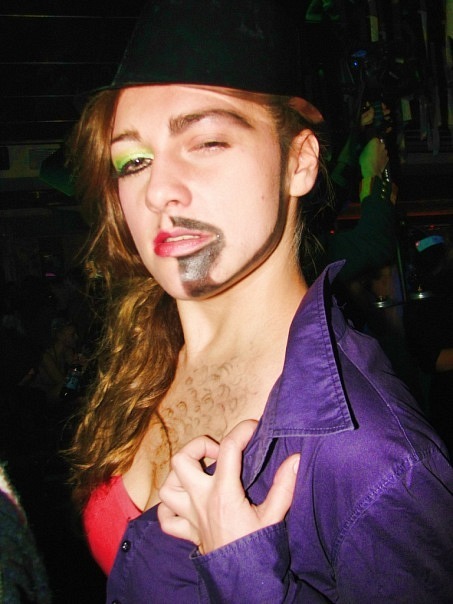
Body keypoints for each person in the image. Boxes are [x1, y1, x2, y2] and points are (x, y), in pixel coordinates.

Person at [68, 1, 453, 602]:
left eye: (206, 142)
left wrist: (247, 576)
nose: (158, 190)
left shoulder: (373, 461)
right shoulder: (142, 356)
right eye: (133, 161)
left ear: (298, 163)